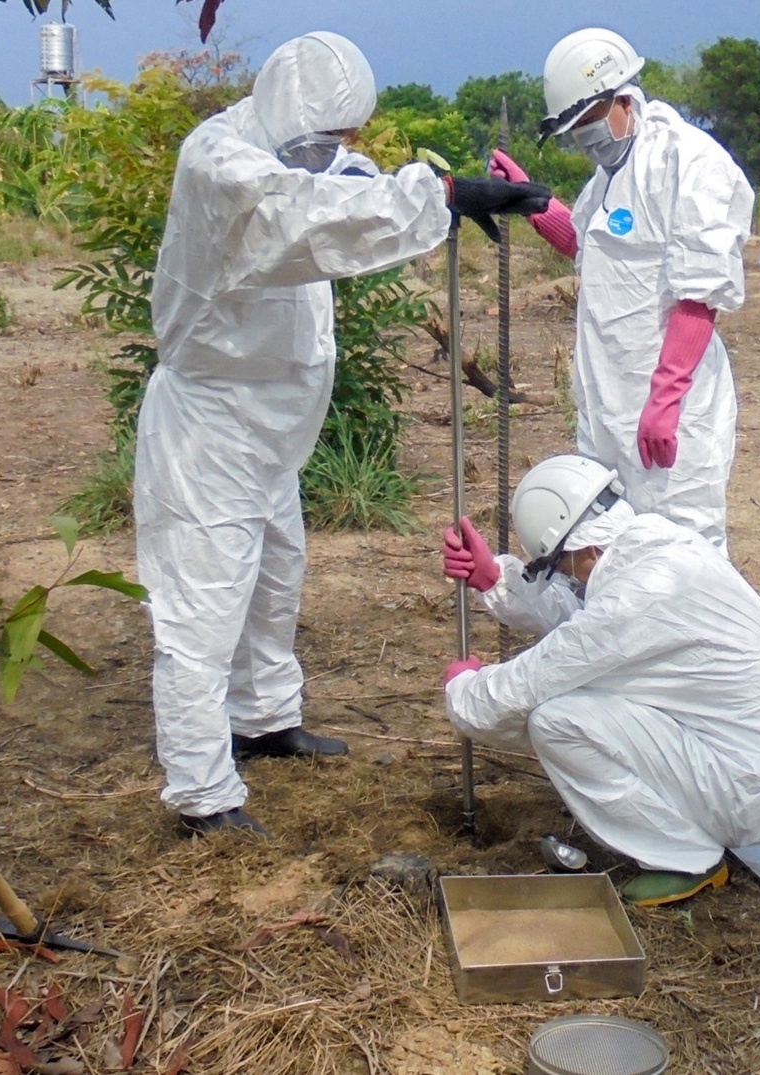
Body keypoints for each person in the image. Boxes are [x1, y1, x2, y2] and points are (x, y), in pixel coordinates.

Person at [137, 31, 550, 837]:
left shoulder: (293, 148)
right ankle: (201, 790)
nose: (337, 151)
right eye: (328, 137)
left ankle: (263, 719)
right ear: (289, 113)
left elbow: (349, 187)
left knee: (273, 580)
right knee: (202, 607)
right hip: (210, 429)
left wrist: (432, 194)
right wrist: (438, 197)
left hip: (270, 430)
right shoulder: (220, 162)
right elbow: (306, 212)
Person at [440, 456, 760, 905]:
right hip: (743, 760)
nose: (567, 578)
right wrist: (498, 581)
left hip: (739, 789)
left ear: (588, 551)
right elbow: (586, 621)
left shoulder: (641, 593)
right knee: (574, 695)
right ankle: (687, 830)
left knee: (555, 719)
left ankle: (686, 858)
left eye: (563, 568)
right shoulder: (654, 548)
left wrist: (465, 689)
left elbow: (538, 676)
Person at [490, 28, 755, 556]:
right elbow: (591, 247)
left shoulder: (687, 162)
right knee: (615, 543)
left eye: (589, 121)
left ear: (624, 99)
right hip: (609, 397)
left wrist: (666, 396)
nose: (584, 138)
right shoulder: (610, 175)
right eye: (573, 130)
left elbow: (700, 290)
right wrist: (532, 201)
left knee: (683, 543)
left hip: (669, 402)